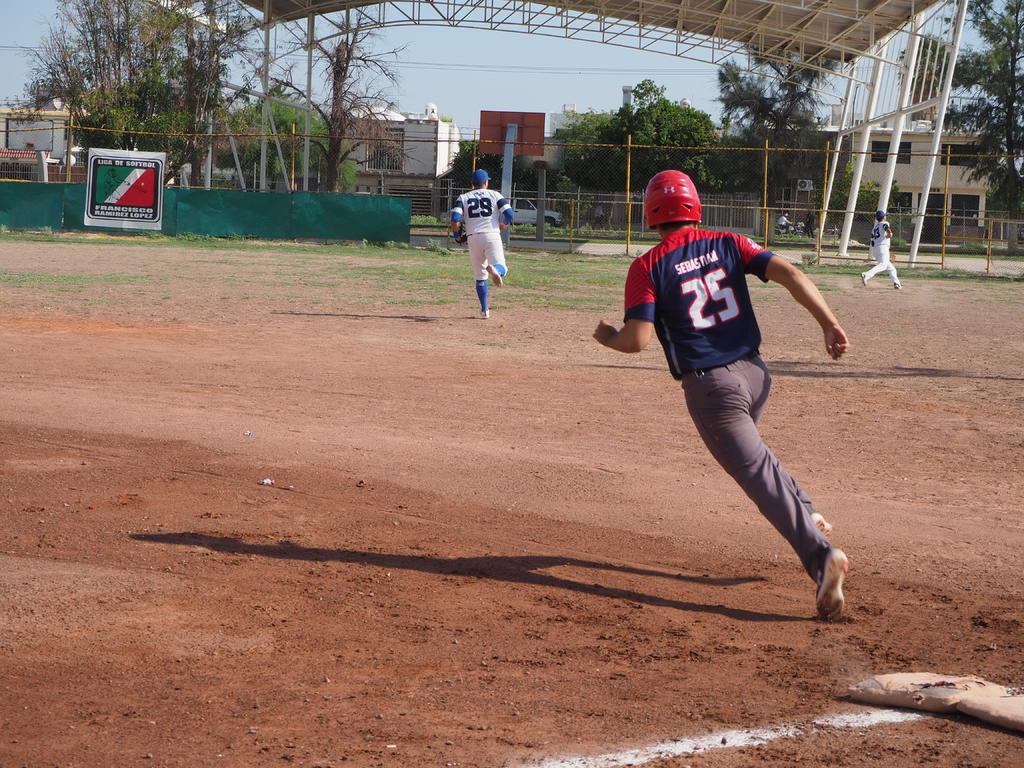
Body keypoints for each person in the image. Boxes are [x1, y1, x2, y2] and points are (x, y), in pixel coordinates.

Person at [593, 170, 850, 620]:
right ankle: (806, 511)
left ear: (651, 213)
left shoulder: (648, 266)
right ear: (695, 207)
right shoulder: (730, 242)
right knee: (758, 459)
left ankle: (820, 556)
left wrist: (608, 337)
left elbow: (637, 341)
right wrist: (829, 323)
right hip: (755, 375)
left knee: (756, 474)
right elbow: (791, 273)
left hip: (712, 389)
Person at [450, 168, 513, 319]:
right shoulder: (495, 195)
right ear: (486, 182)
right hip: (491, 234)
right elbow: (509, 213)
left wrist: (457, 236)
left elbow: (455, 218)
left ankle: (484, 310)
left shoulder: (463, 197)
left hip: (473, 237)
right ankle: (496, 270)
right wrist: (504, 224)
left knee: (480, 276)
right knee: (502, 267)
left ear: (472, 183)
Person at [861, 210, 901, 289]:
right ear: (884, 217)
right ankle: (866, 275)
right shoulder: (884, 223)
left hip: (876, 249)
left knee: (891, 268)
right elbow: (886, 228)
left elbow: (872, 243)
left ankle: (896, 283)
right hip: (883, 248)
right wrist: (890, 233)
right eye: (885, 215)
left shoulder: (874, 228)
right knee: (883, 265)